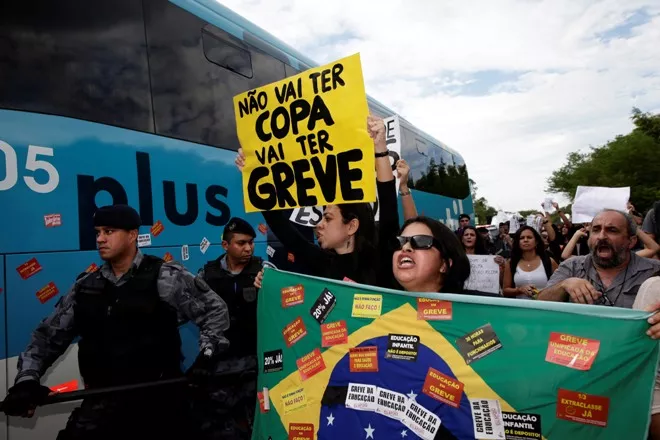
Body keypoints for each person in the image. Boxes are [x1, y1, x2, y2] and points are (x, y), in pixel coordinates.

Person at [1, 205, 230, 440]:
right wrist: (27, 380)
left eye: (109, 231)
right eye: (98, 232)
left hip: (159, 406)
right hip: (101, 406)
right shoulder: (86, 287)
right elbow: (46, 337)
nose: (100, 239)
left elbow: (215, 311)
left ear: (132, 235)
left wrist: (207, 356)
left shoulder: (166, 277)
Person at [236, 115, 398, 287]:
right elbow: (282, 228)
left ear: (351, 226)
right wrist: (253, 175)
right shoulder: (321, 261)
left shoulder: (382, 259)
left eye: (327, 218)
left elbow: (388, 201)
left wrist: (380, 148)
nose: (318, 225)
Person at [196, 217, 263, 439]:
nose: (248, 248)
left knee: (258, 426)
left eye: (251, 242)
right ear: (225, 245)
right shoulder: (206, 275)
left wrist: (267, 286)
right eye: (241, 243)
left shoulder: (264, 271)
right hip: (220, 365)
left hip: (254, 363)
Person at [538, 209, 660, 305]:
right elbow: (541, 303)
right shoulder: (572, 267)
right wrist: (564, 285)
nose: (601, 236)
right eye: (596, 230)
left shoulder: (654, 271)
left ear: (631, 241)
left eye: (612, 230)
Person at [391, 216, 499, 297]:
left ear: (444, 264)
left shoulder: (487, 312)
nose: (405, 247)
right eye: (399, 242)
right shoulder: (381, 313)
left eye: (420, 241)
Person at [503, 226, 558, 299]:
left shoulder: (549, 261)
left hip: (545, 307)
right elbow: (505, 291)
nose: (525, 240)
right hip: (519, 308)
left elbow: (561, 285)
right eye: (522, 238)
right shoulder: (511, 263)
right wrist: (519, 290)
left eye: (529, 237)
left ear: (536, 241)